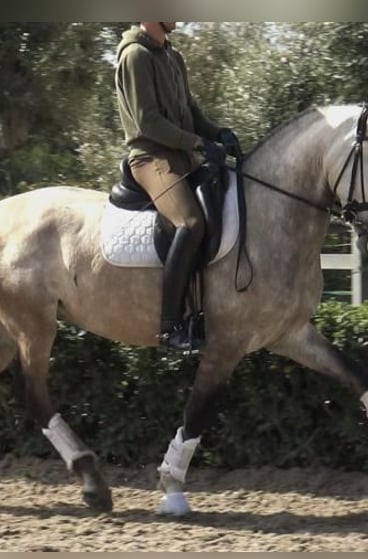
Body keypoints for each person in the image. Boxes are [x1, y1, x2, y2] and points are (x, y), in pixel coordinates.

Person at [115, 21, 241, 353]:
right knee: (190, 223)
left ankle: (202, 310)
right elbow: (149, 122)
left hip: (182, 158)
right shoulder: (135, 56)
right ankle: (170, 327)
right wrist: (198, 142)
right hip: (150, 158)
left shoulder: (174, 57)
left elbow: (192, 112)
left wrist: (218, 134)